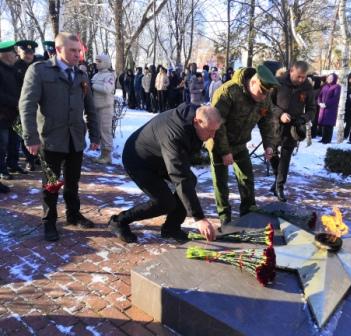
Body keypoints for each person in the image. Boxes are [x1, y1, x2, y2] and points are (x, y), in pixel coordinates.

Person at [19, 32, 100, 242]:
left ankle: (73, 214)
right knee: (51, 184)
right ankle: (49, 221)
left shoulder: (81, 75)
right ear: (58, 49)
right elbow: (26, 105)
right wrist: (31, 137)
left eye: (79, 50)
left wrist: (95, 134)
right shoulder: (39, 71)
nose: (77, 54)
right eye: (72, 50)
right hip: (50, 138)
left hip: (75, 138)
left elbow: (91, 108)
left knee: (73, 182)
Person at [108, 104, 220, 243]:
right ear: (197, 122)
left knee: (190, 181)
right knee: (165, 202)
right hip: (138, 160)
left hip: (160, 155)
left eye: (215, 130)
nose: (213, 136)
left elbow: (182, 172)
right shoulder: (175, 135)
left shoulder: (199, 116)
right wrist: (199, 218)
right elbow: (179, 177)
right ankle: (119, 221)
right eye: (210, 131)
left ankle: (171, 228)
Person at [208, 64, 279, 226]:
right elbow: (217, 125)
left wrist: (269, 145)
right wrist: (225, 151)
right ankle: (224, 216)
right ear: (252, 82)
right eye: (261, 92)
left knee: (247, 178)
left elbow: (267, 120)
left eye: (266, 94)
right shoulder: (228, 92)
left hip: (240, 143)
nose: (263, 97)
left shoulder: (264, 95)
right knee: (221, 182)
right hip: (218, 143)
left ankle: (248, 210)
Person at [270, 61, 316, 202]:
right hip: (274, 125)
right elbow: (268, 104)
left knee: (286, 157)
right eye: (299, 77)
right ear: (291, 71)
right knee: (271, 153)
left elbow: (312, 109)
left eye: (304, 77)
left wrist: (303, 118)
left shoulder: (307, 87)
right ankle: (277, 178)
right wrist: (280, 114)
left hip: (293, 127)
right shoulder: (277, 82)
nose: (301, 80)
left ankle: (279, 186)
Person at [14, 40, 39, 172]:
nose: (28, 55)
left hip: (36, 106)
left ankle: (33, 159)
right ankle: (24, 161)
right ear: (19, 52)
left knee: (34, 133)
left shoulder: (38, 67)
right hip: (17, 106)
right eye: (25, 52)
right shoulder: (14, 66)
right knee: (21, 134)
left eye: (31, 53)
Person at [0, 40, 20, 193]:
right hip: (2, 115)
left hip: (12, 114)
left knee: (11, 142)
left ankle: (9, 165)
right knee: (1, 145)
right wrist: (16, 102)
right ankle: (2, 171)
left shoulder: (13, 69)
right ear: (5, 55)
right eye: (13, 53)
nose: (16, 55)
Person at [91, 54, 116, 164]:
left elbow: (107, 89)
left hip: (105, 108)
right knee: (99, 131)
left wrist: (93, 85)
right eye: (96, 61)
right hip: (96, 106)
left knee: (105, 131)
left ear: (105, 62)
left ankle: (107, 155)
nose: (97, 63)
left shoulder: (109, 75)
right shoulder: (96, 75)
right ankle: (102, 154)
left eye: (99, 61)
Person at [317, 73, 341, 144]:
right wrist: (319, 102)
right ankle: (323, 138)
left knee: (329, 125)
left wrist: (326, 104)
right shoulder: (325, 86)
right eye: (329, 78)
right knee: (324, 124)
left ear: (334, 79)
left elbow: (335, 98)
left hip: (331, 109)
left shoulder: (337, 87)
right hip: (323, 108)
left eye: (331, 78)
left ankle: (328, 139)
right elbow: (320, 96)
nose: (329, 79)